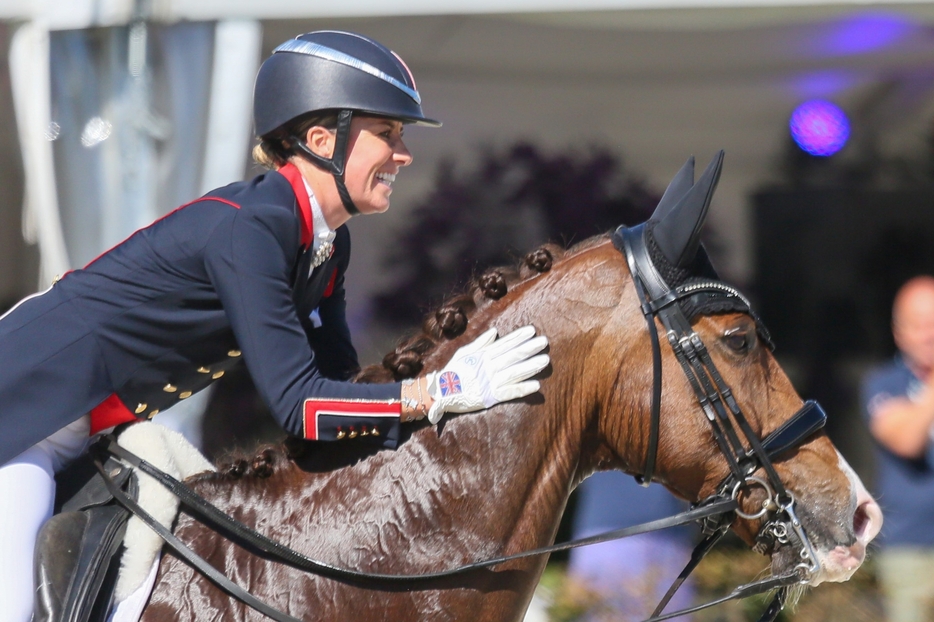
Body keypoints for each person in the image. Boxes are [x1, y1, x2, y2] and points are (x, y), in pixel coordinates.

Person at [0, 31, 549, 621]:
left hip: (87, 427)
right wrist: (439, 392)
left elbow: (338, 390)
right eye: (387, 134)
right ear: (320, 140)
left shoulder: (324, 244)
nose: (404, 153)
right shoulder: (254, 229)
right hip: (25, 412)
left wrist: (456, 413)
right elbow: (301, 407)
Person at [862, 275, 934, 622]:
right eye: (919, 324)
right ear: (898, 332)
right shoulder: (883, 383)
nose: (929, 334)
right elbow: (907, 440)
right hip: (910, 548)